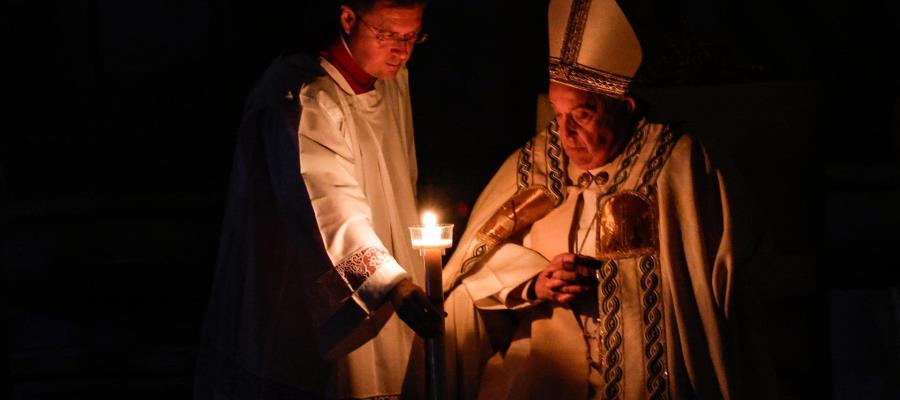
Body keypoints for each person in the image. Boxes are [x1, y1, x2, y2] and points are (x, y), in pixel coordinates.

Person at [442, 0, 774, 398]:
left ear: (625, 108)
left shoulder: (677, 165)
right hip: (545, 369)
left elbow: (725, 282)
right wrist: (534, 282)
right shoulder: (534, 165)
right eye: (557, 114)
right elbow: (471, 269)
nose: (565, 135)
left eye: (581, 115)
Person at [194, 1, 443, 399]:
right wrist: (392, 284)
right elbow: (327, 206)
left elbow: (401, 184)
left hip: (393, 281)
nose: (402, 50)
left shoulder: (395, 81)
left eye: (412, 37)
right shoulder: (303, 96)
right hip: (310, 296)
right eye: (388, 35)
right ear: (348, 18)